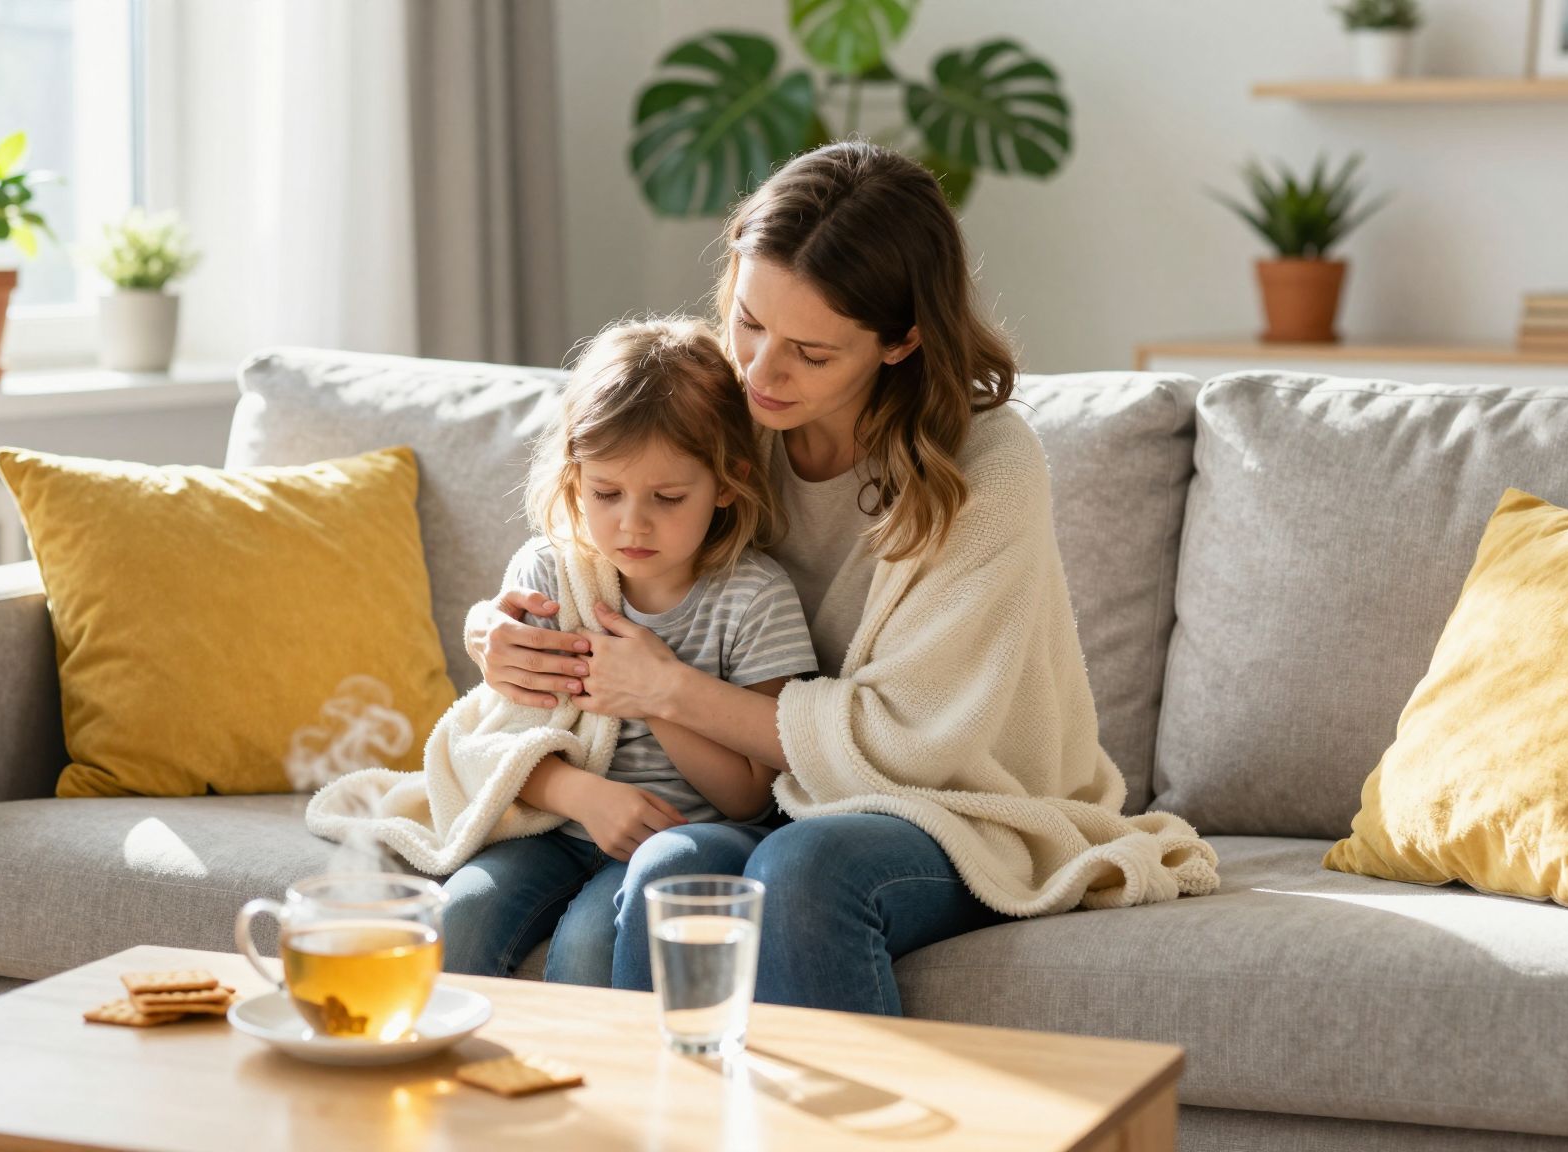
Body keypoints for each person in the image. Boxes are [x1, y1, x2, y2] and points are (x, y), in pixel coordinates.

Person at [467, 141, 1218, 1015]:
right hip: (755, 796)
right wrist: (496, 631)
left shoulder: (986, 466)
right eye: (748, 321)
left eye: (811, 353)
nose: (760, 371)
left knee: (808, 869)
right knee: (673, 875)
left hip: (947, 803)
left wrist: (665, 691)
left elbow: (919, 741)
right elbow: (592, 545)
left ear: (901, 340)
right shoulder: (726, 414)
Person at [440, 317, 817, 985]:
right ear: (573, 478)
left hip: (682, 840)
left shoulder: (754, 599)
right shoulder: (552, 577)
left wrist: (656, 692)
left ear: (727, 482)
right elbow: (500, 742)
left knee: (590, 944)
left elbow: (748, 797)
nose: (632, 523)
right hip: (558, 824)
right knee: (457, 916)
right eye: (605, 493)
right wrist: (583, 797)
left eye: (668, 497)